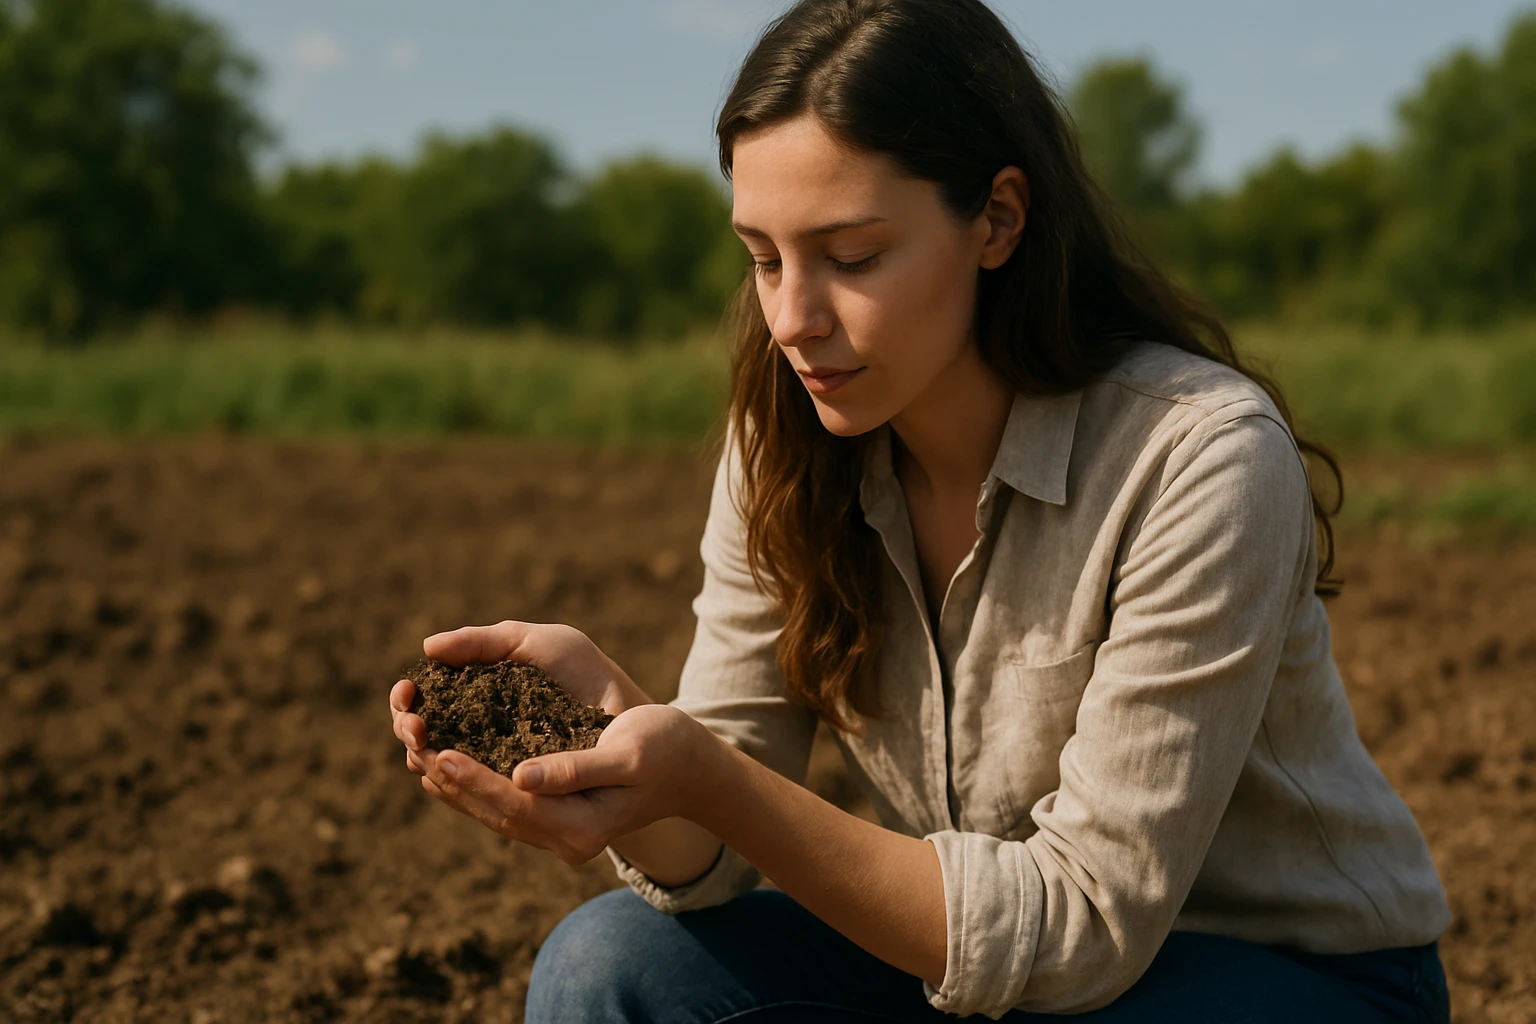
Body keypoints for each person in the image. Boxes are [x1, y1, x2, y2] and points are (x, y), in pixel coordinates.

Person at [387, 1, 1453, 1019]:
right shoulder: (787, 440)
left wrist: (712, 780)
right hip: (991, 975)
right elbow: (708, 855)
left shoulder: (1199, 456)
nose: (792, 319)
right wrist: (619, 745)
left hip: (1278, 977)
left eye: (851, 258)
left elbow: (1082, 928)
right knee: (608, 965)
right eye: (762, 259)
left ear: (997, 219)